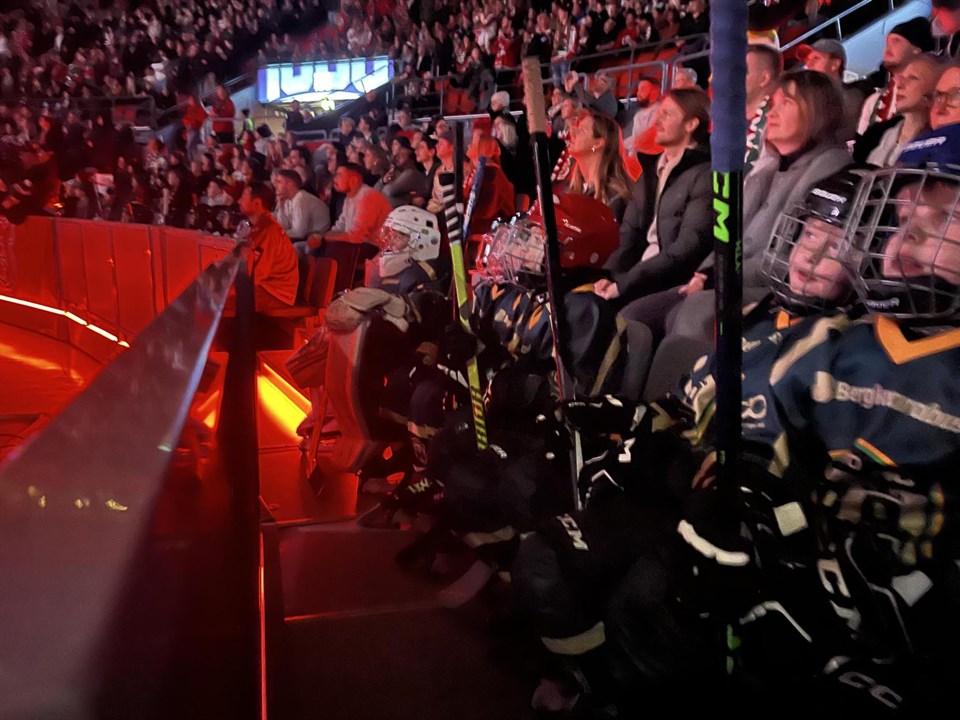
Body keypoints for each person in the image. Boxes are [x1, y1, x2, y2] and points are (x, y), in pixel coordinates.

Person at [512, 168, 865, 716]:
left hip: (741, 537)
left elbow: (827, 490)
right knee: (543, 560)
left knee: (643, 604)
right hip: (678, 496)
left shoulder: (853, 356)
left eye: (835, 245)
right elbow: (684, 405)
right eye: (809, 235)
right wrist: (632, 420)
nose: (811, 255)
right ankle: (595, 681)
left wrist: (770, 501)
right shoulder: (752, 317)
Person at [670, 70, 854, 343]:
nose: (772, 113)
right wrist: (704, 272)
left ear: (818, 111)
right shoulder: (768, 167)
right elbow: (728, 231)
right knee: (649, 312)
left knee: (692, 311)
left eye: (786, 103)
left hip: (773, 290)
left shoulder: (830, 165)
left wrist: (715, 276)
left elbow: (786, 258)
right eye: (773, 104)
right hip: (728, 278)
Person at [596, 87, 713, 341]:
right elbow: (628, 234)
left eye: (667, 114)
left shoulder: (705, 174)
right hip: (639, 276)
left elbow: (686, 249)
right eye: (659, 113)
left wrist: (624, 284)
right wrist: (607, 277)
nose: (657, 120)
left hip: (672, 281)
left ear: (691, 124)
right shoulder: (651, 170)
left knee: (625, 321)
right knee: (584, 305)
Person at [854, 54, 942, 168]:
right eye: (899, 77)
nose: (899, 85)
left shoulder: (938, 143)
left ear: (935, 89)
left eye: (912, 78)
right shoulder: (876, 134)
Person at [857, 17, 934, 136]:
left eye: (896, 41)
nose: (888, 47)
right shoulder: (874, 101)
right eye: (887, 42)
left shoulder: (929, 93)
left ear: (916, 50)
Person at [238, 181, 299, 310]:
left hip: (276, 294)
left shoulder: (268, 230)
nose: (239, 201)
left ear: (257, 203)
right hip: (264, 288)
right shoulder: (258, 227)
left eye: (244, 196)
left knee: (221, 300)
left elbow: (258, 275)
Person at [565, 108, 633, 221]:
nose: (572, 133)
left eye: (581, 130)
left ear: (597, 143)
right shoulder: (575, 188)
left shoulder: (614, 196)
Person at [273, 168, 331, 243]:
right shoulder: (287, 199)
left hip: (318, 240)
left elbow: (299, 233)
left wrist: (276, 234)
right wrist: (281, 207)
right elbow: (283, 226)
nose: (275, 186)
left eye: (279, 182)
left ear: (289, 185)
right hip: (305, 238)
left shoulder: (301, 199)